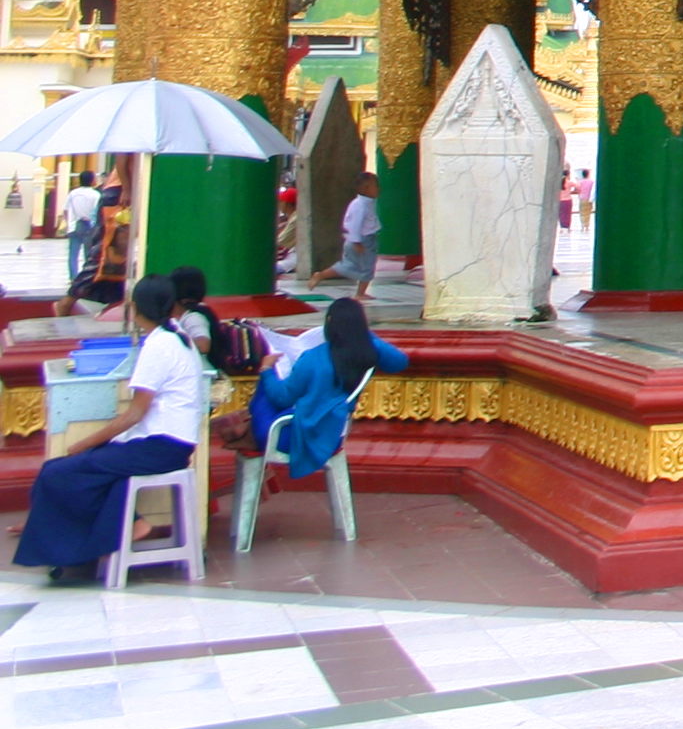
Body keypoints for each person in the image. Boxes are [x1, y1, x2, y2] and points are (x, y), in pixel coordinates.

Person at [15, 275, 204, 583]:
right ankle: (129, 523)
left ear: (135, 308)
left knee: (58, 472)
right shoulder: (178, 336)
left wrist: (85, 443)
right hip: (168, 443)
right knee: (86, 470)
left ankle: (81, 547)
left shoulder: (159, 346)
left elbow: (133, 414)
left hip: (161, 447)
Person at [215, 296, 407, 479]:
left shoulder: (313, 358)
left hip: (294, 436)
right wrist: (360, 332)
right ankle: (245, 425)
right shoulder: (364, 354)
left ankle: (245, 427)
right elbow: (399, 362)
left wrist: (266, 369)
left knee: (267, 387)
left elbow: (281, 398)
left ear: (329, 322)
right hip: (335, 432)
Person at [58, 182, 132, 320]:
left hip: (123, 197)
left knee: (119, 262)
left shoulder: (77, 194)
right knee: (104, 256)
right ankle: (67, 301)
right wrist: (127, 189)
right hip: (120, 197)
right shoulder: (107, 192)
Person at [311, 173, 383, 302]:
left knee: (350, 265)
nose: (378, 189)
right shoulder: (360, 205)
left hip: (361, 239)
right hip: (362, 240)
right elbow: (355, 224)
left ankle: (322, 275)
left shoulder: (366, 203)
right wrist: (357, 242)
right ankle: (359, 293)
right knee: (366, 267)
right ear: (365, 188)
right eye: (375, 186)